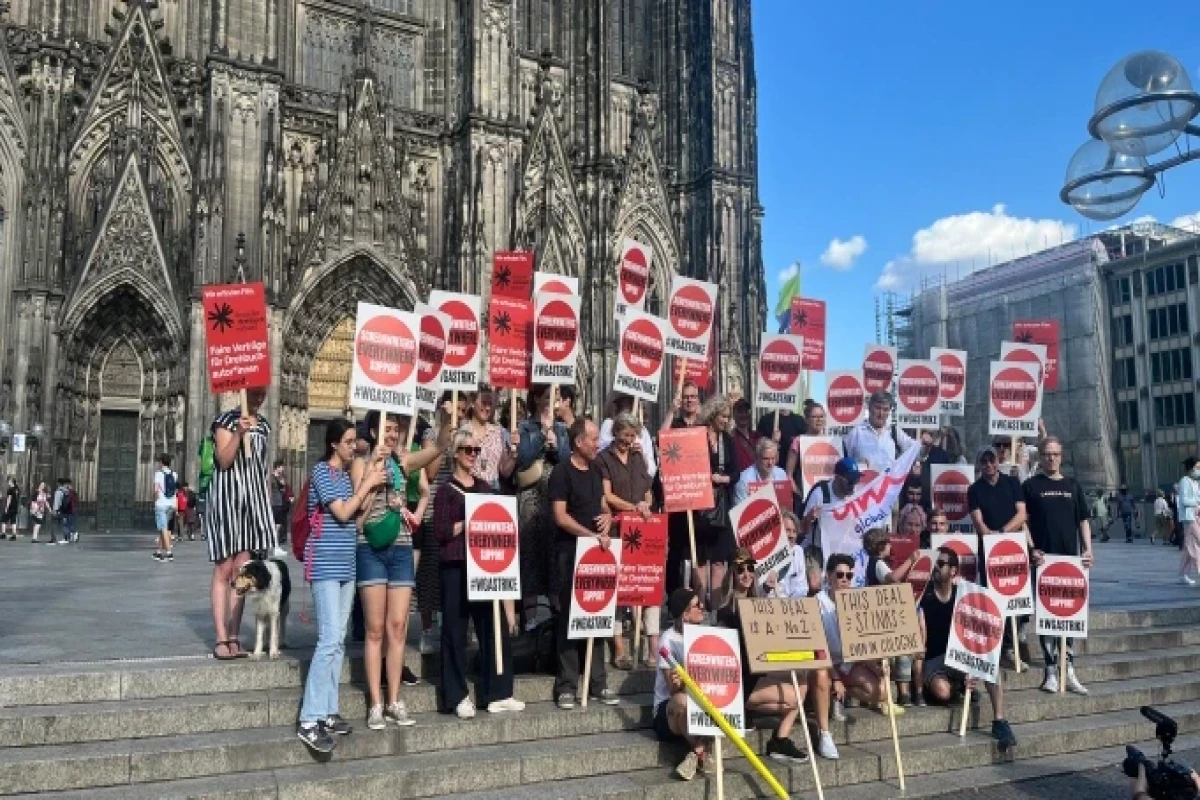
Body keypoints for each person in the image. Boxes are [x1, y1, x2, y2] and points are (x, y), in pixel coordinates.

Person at [295, 419, 387, 753]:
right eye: (349, 442)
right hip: (324, 563)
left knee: (338, 642)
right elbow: (343, 512)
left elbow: (357, 519)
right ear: (335, 444)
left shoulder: (347, 478)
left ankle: (329, 710)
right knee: (329, 638)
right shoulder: (322, 472)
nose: (354, 446)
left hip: (346, 563)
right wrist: (365, 486)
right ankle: (310, 718)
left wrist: (372, 486)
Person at [433, 428, 524, 718]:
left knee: (493, 628)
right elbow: (440, 532)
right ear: (456, 454)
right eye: (468, 450)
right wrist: (467, 522)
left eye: (476, 450)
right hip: (456, 566)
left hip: (485, 567)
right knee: (455, 631)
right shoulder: (446, 491)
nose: (473, 455)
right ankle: (456, 695)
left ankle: (498, 691)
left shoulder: (485, 488)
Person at [353, 412, 423, 730]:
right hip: (371, 548)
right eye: (387, 429)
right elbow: (357, 517)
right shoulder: (360, 463)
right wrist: (372, 473)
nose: (393, 435)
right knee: (374, 629)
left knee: (397, 629)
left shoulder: (403, 463)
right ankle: (375, 703)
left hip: (402, 547)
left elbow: (431, 463)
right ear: (373, 430)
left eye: (396, 429)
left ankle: (394, 700)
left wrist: (446, 434)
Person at [917, 546, 1018, 750]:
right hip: (935, 660)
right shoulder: (925, 597)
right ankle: (959, 687)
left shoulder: (963, 595)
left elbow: (983, 630)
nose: (935, 567)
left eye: (941, 563)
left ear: (953, 570)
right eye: (934, 563)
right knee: (942, 692)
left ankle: (1000, 721)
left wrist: (975, 664)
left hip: (959, 656)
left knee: (992, 666)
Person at [549, 417, 618, 709]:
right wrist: (590, 534)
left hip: (596, 554)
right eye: (593, 439)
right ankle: (566, 685)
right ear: (578, 442)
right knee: (569, 619)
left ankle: (597, 682)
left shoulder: (595, 471)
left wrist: (608, 517)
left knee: (597, 615)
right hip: (570, 553)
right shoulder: (561, 473)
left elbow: (602, 504)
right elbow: (560, 517)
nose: (598, 443)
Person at [715, 549, 808, 763]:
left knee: (802, 680)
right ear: (732, 575)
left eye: (750, 569)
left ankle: (780, 739)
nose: (747, 574)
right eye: (740, 570)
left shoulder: (760, 603)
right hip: (741, 680)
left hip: (759, 672)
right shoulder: (727, 611)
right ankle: (743, 710)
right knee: (793, 700)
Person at [206, 390, 277, 659]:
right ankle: (220, 639)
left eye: (262, 393)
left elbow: (263, 469)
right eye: (255, 393)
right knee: (224, 569)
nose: (259, 397)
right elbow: (223, 461)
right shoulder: (224, 421)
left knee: (242, 571)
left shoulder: (265, 426)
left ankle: (234, 635)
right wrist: (237, 433)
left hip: (252, 505)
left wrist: (267, 508)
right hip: (227, 502)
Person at [1023, 436, 1093, 694]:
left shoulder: (1073, 485)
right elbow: (1024, 522)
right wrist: (1032, 549)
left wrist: (1088, 550)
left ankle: (1069, 668)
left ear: (1061, 456)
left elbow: (1083, 520)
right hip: (1044, 561)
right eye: (1046, 454)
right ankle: (1051, 669)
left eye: (1055, 454)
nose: (1051, 458)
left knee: (1070, 613)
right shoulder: (1030, 486)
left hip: (1070, 561)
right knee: (1046, 615)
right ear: (1040, 457)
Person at [597, 412, 656, 670]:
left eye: (633, 436)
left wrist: (645, 504)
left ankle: (650, 646)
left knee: (647, 583)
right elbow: (606, 495)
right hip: (617, 528)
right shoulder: (603, 459)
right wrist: (633, 507)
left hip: (640, 529)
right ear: (615, 432)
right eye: (625, 436)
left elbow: (648, 490)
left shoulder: (637, 457)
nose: (629, 441)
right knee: (619, 589)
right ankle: (619, 646)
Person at [516, 384, 571, 630]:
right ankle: (531, 618)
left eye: (556, 398)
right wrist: (541, 435)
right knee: (529, 556)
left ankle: (556, 614)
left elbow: (567, 460)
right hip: (530, 497)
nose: (553, 403)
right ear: (537, 399)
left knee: (553, 557)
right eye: (548, 398)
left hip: (554, 496)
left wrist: (556, 445)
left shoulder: (561, 429)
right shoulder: (525, 427)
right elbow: (523, 458)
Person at [654, 587, 712, 780]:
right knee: (682, 701)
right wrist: (680, 680)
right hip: (668, 710)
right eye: (697, 605)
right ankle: (702, 751)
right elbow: (672, 689)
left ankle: (695, 753)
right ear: (684, 615)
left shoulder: (702, 635)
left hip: (697, 702)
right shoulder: (667, 640)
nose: (702, 607)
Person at [862, 529, 920, 704]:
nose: (890, 546)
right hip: (881, 615)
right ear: (881, 546)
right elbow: (892, 578)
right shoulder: (878, 563)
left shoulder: (875, 563)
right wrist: (911, 560)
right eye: (888, 543)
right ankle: (900, 694)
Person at [690, 396, 737, 608]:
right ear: (713, 414)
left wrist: (724, 478)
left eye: (728, 417)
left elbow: (736, 471)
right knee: (699, 559)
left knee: (719, 560)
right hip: (699, 504)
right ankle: (699, 607)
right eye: (723, 416)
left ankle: (717, 609)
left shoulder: (727, 439)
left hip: (720, 505)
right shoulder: (696, 435)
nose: (726, 421)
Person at [842, 391, 915, 476]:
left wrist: (925, 445)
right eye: (877, 408)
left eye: (885, 409)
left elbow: (915, 450)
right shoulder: (856, 433)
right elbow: (843, 463)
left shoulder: (895, 432)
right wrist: (856, 464)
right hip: (863, 487)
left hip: (888, 488)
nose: (881, 414)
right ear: (869, 408)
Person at [799, 457, 862, 555]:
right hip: (817, 549)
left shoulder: (855, 494)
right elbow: (802, 529)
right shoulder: (821, 494)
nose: (852, 485)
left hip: (842, 549)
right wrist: (809, 518)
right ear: (837, 477)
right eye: (850, 480)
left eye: (856, 480)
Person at [598, 393, 658, 479]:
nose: (627, 406)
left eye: (631, 401)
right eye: (624, 402)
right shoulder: (609, 424)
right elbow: (602, 451)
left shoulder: (643, 431)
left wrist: (642, 457)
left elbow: (652, 470)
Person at [784, 402, 827, 510]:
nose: (819, 420)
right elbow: (789, 474)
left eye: (821, 416)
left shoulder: (832, 441)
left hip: (827, 499)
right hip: (805, 499)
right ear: (807, 420)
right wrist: (799, 494)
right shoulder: (798, 441)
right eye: (814, 417)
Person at [733, 438, 788, 506]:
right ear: (756, 457)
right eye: (766, 459)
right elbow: (740, 513)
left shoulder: (781, 474)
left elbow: (787, 508)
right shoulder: (744, 480)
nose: (770, 463)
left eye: (773, 458)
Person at [1176, 457, 1200, 584]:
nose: (1199, 470)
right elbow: (1184, 501)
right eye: (1197, 467)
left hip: (1196, 517)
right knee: (1196, 543)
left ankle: (1183, 574)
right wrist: (1197, 502)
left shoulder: (1195, 482)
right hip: (1189, 518)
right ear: (1191, 468)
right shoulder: (1184, 481)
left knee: (1189, 546)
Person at [152, 454, 178, 562]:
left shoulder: (158, 473)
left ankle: (169, 553)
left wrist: (155, 499)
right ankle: (158, 552)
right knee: (163, 528)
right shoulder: (175, 474)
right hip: (170, 504)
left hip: (161, 504)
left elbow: (156, 489)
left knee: (163, 529)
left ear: (162, 462)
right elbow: (175, 491)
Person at [729, 398, 760, 475]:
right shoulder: (730, 438)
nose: (744, 415)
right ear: (734, 415)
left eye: (746, 412)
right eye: (740, 412)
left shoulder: (757, 436)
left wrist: (775, 441)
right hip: (740, 481)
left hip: (757, 481)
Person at [270, 461, 292, 549]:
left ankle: (275, 542)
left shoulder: (281, 478)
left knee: (278, 524)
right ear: (277, 467)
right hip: (273, 503)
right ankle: (272, 541)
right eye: (281, 467)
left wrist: (283, 486)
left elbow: (283, 490)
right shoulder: (272, 477)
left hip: (279, 503)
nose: (282, 469)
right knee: (273, 523)